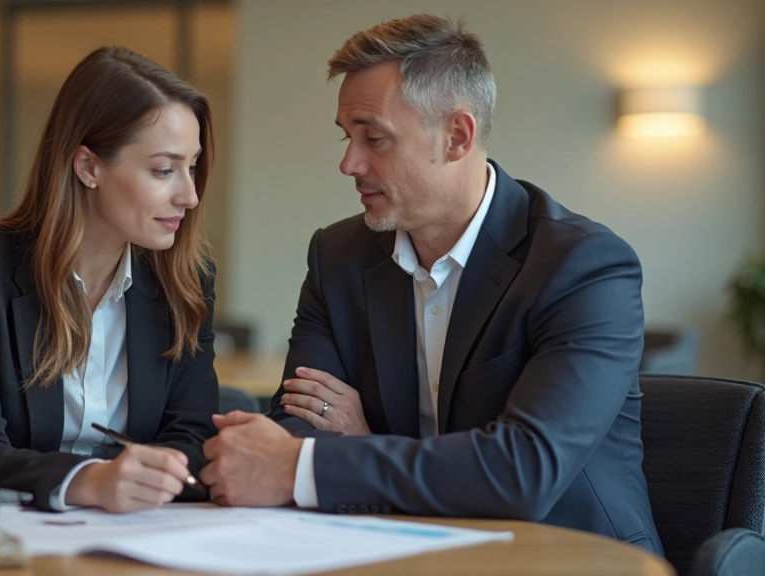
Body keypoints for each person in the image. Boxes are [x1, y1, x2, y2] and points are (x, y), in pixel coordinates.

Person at [200, 14, 663, 554]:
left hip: (569, 557)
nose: (349, 163)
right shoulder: (338, 257)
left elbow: (522, 472)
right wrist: (329, 457)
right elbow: (299, 426)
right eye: (348, 137)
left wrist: (361, 447)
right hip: (390, 550)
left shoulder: (583, 266)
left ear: (457, 137)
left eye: (374, 138)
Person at [0, 46, 218, 513]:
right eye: (164, 170)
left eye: (193, 166)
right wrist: (91, 482)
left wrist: (123, 482)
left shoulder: (187, 280)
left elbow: (195, 441)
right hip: (3, 540)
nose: (189, 195)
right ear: (88, 166)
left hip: (144, 533)